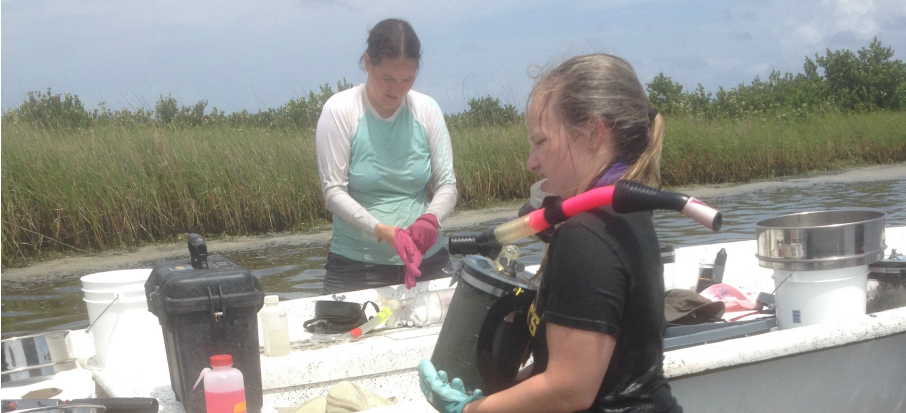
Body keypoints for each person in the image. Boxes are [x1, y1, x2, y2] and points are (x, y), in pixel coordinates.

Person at [419, 54, 681, 412]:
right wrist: (499, 398)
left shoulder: (585, 237)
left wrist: (470, 412)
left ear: (592, 133)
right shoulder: (623, 216)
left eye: (541, 141)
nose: (532, 161)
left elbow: (569, 387)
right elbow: (574, 369)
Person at [316, 18, 458, 294]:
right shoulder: (339, 110)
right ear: (368, 63)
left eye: (408, 79)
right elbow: (333, 192)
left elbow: (447, 184)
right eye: (388, 79)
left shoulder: (427, 109)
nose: (397, 90)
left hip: (428, 260)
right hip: (358, 265)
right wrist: (382, 230)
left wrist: (431, 219)